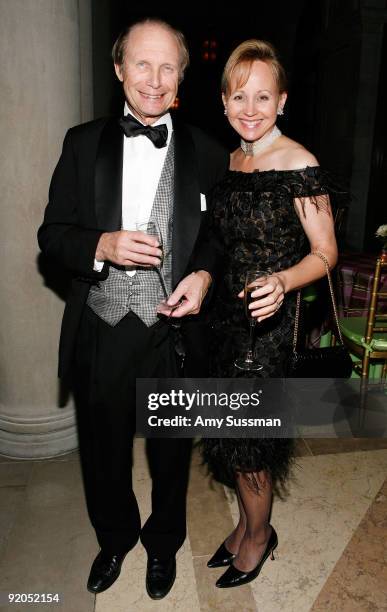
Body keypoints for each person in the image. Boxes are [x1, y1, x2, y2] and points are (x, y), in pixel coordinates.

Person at [38, 18, 228, 600]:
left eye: (167, 66)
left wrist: (203, 274)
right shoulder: (81, 142)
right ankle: (115, 538)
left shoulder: (209, 152)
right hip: (103, 325)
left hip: (173, 331)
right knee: (104, 449)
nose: (154, 78)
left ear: (182, 79)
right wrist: (100, 245)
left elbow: (219, 236)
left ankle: (164, 544)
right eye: (141, 64)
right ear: (119, 69)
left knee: (170, 455)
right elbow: (53, 235)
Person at [198, 39, 338, 589]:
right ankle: (244, 524)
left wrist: (282, 280)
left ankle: (259, 536)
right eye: (239, 96)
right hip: (225, 321)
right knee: (229, 434)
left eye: (262, 97)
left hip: (268, 326)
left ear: (282, 101)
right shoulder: (232, 159)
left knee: (250, 441)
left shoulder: (300, 163)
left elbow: (325, 254)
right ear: (225, 101)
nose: (250, 109)